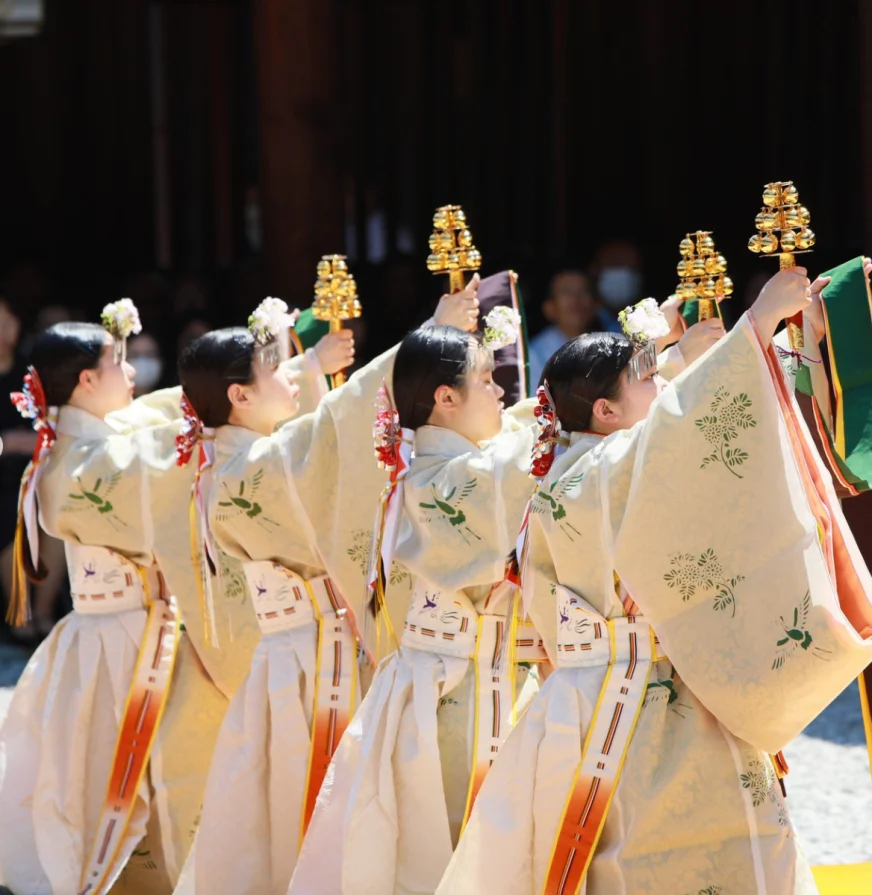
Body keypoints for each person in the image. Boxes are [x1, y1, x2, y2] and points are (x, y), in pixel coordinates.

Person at [435, 268, 872, 894]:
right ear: (606, 410)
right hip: (630, 701)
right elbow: (681, 426)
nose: (662, 383)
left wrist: (777, 339)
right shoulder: (597, 474)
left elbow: (678, 423)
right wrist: (756, 325)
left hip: (639, 685)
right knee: (644, 854)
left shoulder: (582, 463)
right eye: (647, 380)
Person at [290, 299, 722, 895]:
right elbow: (566, 439)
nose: (502, 393)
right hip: (452, 692)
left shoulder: (458, 466)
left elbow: (555, 425)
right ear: (445, 399)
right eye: (486, 380)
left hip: (484, 679)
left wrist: (649, 355)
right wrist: (666, 370)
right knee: (443, 854)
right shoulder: (436, 483)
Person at [172, 289, 476, 895]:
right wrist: (428, 338)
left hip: (308, 652)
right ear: (239, 396)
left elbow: (318, 431)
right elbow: (334, 428)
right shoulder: (246, 470)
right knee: (309, 803)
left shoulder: (230, 461)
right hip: (311, 663)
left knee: (298, 802)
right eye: (278, 370)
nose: (293, 376)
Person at [0, 303, 229, 895]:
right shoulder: (80, 465)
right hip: (119, 641)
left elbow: (153, 417)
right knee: (113, 779)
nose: (133, 374)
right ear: (86, 381)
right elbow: (156, 455)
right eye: (120, 363)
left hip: (142, 631)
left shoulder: (89, 444)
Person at [0, 296, 65, 643]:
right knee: (13, 519)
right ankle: (18, 614)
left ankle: (43, 612)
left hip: (37, 472)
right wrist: (6, 443)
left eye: (6, 321)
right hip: (3, 480)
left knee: (54, 519)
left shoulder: (29, 374)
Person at [528, 270, 621, 393]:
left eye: (583, 292)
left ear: (595, 304)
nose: (575, 300)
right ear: (549, 307)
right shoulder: (534, 353)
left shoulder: (612, 346)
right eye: (567, 292)